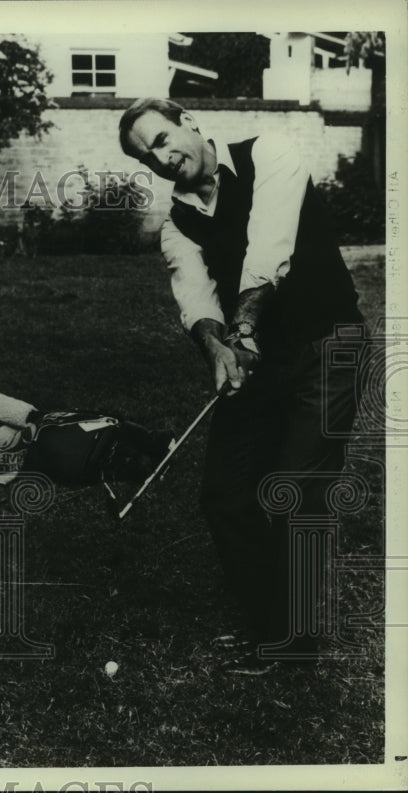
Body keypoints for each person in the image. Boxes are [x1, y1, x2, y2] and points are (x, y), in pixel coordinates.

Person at [118, 98, 365, 671]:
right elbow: (196, 301)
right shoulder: (176, 225)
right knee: (225, 495)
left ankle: (296, 644)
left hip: (327, 344)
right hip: (258, 359)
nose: (158, 158)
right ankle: (264, 626)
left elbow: (268, 249)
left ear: (188, 122)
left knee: (296, 491)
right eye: (143, 156)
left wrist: (246, 326)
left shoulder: (270, 155)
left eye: (159, 140)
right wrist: (218, 349)